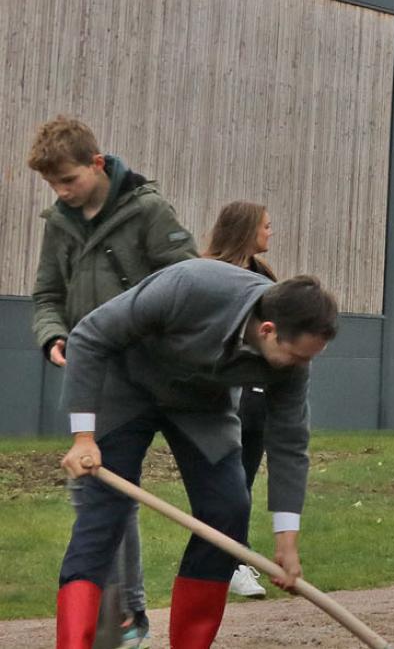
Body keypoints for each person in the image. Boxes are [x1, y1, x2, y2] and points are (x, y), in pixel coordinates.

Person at [55, 261, 337, 649]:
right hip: (127, 389)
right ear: (268, 330)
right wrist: (84, 438)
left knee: (229, 513)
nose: (303, 367)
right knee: (104, 513)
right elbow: (89, 335)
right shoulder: (190, 286)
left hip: (200, 407)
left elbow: (289, 443)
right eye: (298, 357)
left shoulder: (292, 365)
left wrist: (286, 542)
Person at [31, 116, 199, 645]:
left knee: (106, 496)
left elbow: (187, 280)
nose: (61, 193)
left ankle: (125, 617)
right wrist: (54, 333)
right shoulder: (58, 223)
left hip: (151, 377)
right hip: (92, 378)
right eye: (53, 185)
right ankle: (122, 619)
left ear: (97, 164)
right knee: (98, 489)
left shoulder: (149, 211)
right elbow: (46, 296)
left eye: (69, 181)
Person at [201, 200, 280, 599]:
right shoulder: (212, 274)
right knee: (226, 486)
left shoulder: (263, 276)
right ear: (246, 230)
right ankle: (230, 560)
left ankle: (233, 559)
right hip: (223, 395)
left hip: (258, 395)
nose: (270, 232)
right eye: (265, 226)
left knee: (243, 482)